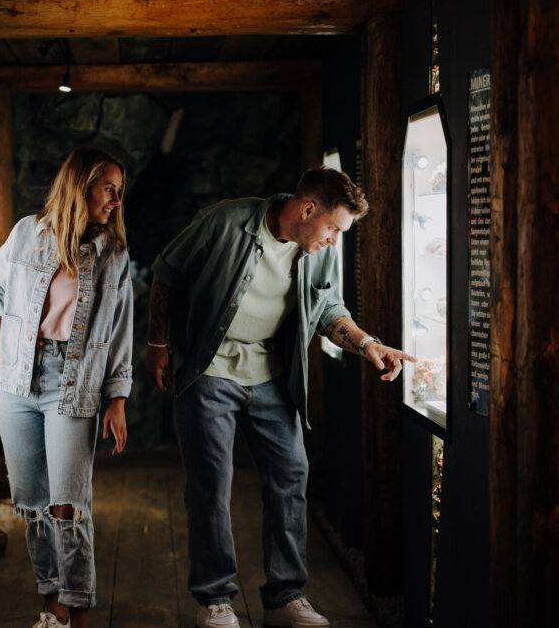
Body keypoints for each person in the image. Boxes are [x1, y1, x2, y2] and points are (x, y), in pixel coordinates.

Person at [144, 167, 415, 628]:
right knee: (211, 485)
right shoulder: (224, 222)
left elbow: (329, 308)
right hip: (209, 372)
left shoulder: (319, 249)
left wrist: (369, 343)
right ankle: (214, 599)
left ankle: (284, 598)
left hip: (271, 376)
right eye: (333, 228)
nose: (334, 240)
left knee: (291, 477)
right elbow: (166, 273)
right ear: (307, 209)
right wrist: (157, 344)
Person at [0, 147, 133, 628]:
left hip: (73, 385)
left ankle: (76, 612)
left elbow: (121, 330)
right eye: (109, 188)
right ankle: (51, 608)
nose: (117, 200)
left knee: (68, 505)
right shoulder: (26, 233)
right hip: (17, 380)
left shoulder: (113, 254)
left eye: (120, 191)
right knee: (34, 504)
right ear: (81, 185)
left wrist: (117, 398)